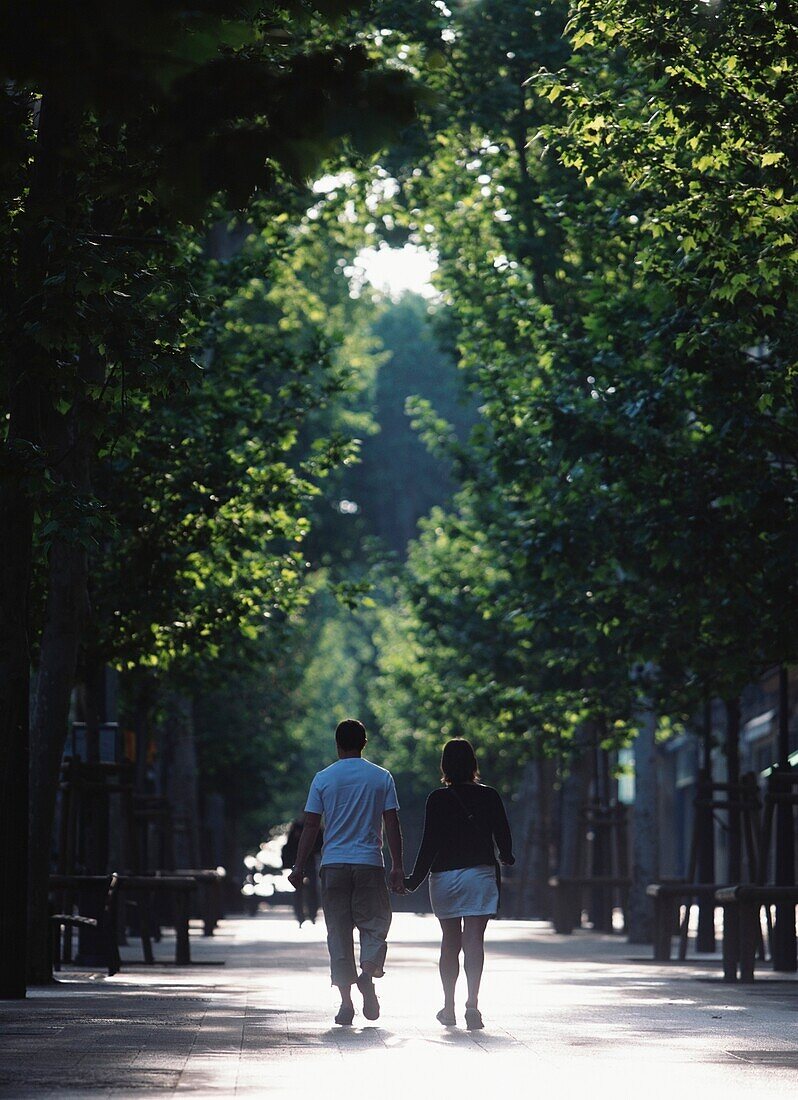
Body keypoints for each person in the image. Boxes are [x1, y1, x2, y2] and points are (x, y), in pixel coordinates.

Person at [288, 718, 405, 1026]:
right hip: (369, 862)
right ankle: (366, 974)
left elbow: (311, 825)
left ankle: (345, 1004)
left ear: (337, 744)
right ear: (364, 743)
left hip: (333, 865)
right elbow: (392, 822)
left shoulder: (323, 778)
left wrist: (299, 867)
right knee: (376, 923)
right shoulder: (381, 777)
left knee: (338, 933)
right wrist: (397, 865)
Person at [404, 737, 514, 1031]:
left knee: (450, 940)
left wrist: (414, 880)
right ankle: (473, 1004)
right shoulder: (490, 795)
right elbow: (503, 834)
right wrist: (506, 855)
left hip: (445, 877)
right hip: (479, 873)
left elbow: (429, 843)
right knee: (474, 940)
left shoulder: (437, 799)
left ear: (445, 766)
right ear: (473, 764)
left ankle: (449, 1006)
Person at [283, 818, 322, 926]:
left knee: (311, 890)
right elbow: (289, 845)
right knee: (299, 891)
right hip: (299, 862)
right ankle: (301, 915)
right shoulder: (298, 826)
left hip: (308, 863)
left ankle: (311, 914)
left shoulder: (315, 827)